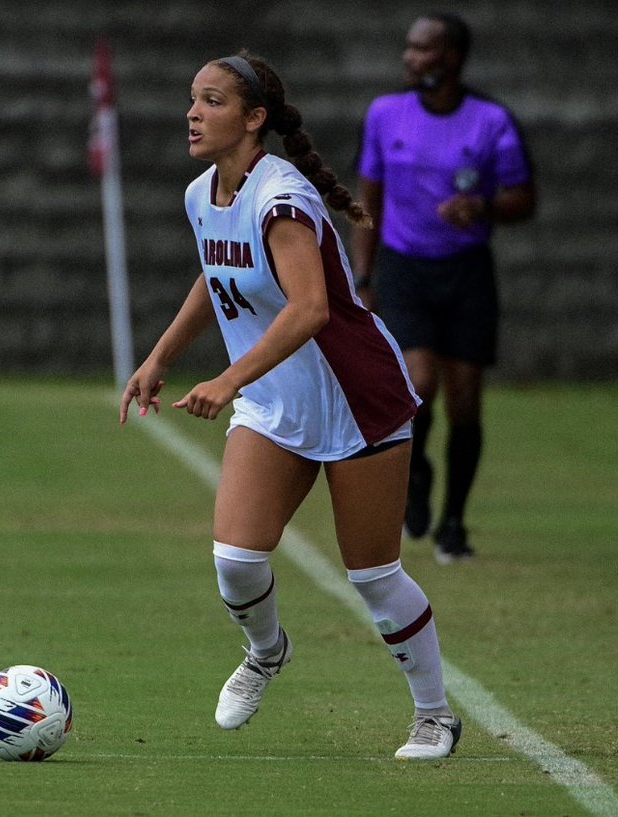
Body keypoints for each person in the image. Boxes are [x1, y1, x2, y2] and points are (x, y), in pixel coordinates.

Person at [119, 51, 461, 760]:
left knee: (373, 575)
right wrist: (159, 358)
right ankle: (267, 649)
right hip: (277, 403)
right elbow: (216, 274)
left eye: (211, 101)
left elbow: (308, 310)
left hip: (357, 397)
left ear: (253, 119)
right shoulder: (200, 193)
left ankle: (435, 715)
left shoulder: (283, 200)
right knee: (236, 561)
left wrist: (226, 380)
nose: (192, 112)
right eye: (193, 98)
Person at [351, 13, 536, 564]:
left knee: (465, 402)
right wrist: (363, 276)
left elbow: (524, 199)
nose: (410, 58)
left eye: (422, 49)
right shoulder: (385, 114)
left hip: (466, 271)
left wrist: (481, 205)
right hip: (406, 268)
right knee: (418, 383)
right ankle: (417, 476)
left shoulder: (491, 121)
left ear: (451, 58)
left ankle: (454, 523)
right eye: (407, 48)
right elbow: (369, 202)